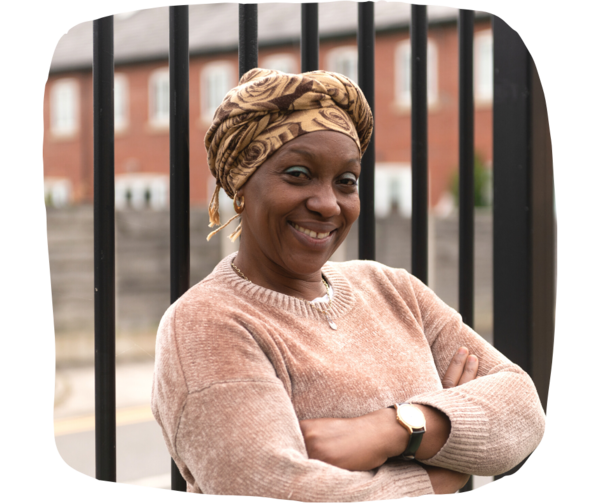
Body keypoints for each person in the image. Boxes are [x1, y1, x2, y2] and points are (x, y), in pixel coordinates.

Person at [151, 68, 547, 499]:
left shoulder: (392, 289)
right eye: (298, 174)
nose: (327, 204)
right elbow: (271, 487)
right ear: (241, 185)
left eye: (346, 182)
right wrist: (439, 474)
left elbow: (524, 410)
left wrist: (398, 428)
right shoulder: (207, 323)